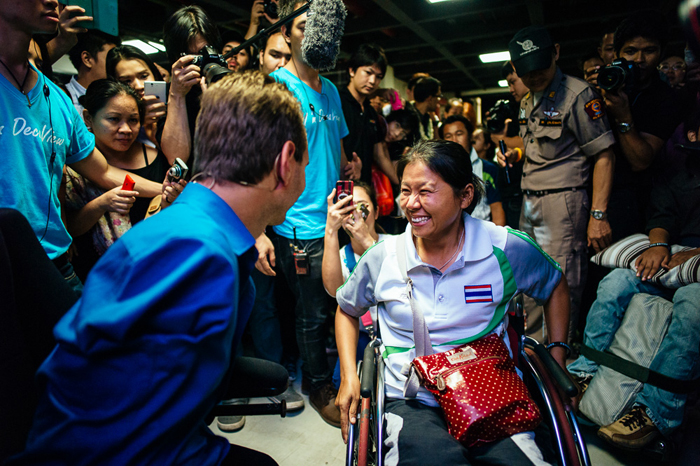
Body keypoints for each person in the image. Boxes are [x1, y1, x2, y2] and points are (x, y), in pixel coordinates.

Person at [9, 71, 307, 466]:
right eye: (306, 163)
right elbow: (121, 437)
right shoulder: (197, 254)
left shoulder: (200, 234)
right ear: (286, 163)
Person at [335, 139, 570, 466]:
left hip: (490, 391)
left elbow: (555, 285)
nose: (411, 204)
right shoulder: (383, 257)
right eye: (405, 191)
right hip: (412, 399)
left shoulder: (503, 247)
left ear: (465, 196)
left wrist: (557, 355)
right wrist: (349, 375)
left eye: (425, 191)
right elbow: (346, 310)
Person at [0, 0, 161, 295]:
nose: (53, 0)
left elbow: (104, 172)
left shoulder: (58, 101)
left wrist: (169, 189)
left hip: (53, 263)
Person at [567, 112, 700, 451]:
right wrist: (658, 245)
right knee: (616, 283)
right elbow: (662, 215)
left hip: (694, 269)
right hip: (672, 255)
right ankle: (584, 372)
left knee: (692, 304)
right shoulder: (680, 174)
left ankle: (656, 412)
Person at [266, 0, 360, 428]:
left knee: (338, 300)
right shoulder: (277, 86)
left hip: (334, 218)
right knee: (313, 311)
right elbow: (262, 159)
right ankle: (318, 384)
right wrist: (260, 229)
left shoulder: (332, 90)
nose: (313, 34)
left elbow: (336, 150)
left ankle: (332, 373)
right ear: (286, 33)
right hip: (298, 222)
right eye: (303, 26)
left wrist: (347, 172)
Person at [500, 26, 615, 342]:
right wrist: (516, 154)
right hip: (529, 201)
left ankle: (559, 357)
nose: (534, 76)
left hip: (562, 203)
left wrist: (598, 215)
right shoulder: (527, 99)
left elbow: (604, 155)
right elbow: (538, 147)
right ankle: (534, 353)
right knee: (528, 281)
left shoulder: (578, 95)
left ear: (556, 53)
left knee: (560, 283)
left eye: (540, 67)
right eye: (527, 71)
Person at [64, 80, 184, 280]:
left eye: (133, 120)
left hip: (151, 269)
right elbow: (69, 227)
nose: (126, 129)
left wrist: (170, 199)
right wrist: (101, 204)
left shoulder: (157, 158)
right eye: (114, 119)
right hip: (94, 274)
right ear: (88, 118)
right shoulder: (75, 168)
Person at [321, 182, 386, 389]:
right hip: (361, 337)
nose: (356, 212)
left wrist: (367, 240)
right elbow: (334, 291)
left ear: (376, 211)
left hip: (396, 333)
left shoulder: (395, 245)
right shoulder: (341, 256)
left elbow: (397, 281)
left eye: (362, 206)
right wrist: (331, 230)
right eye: (348, 206)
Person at [106, 45, 198, 164]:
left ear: (154, 74)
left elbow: (177, 159)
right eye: (127, 81)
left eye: (144, 76)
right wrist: (137, 122)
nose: (139, 86)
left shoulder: (176, 104)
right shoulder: (112, 120)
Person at [340, 43, 397, 185]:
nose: (373, 81)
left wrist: (402, 184)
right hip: (339, 185)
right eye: (368, 73)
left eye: (378, 77)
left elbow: (380, 155)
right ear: (352, 70)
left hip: (364, 187)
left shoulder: (371, 113)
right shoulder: (336, 103)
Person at [439, 115, 506, 226]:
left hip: (481, 231)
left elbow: (497, 209)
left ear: (470, 136)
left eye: (459, 134)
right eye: (448, 136)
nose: (454, 140)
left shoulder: (488, 169)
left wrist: (496, 236)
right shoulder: (438, 170)